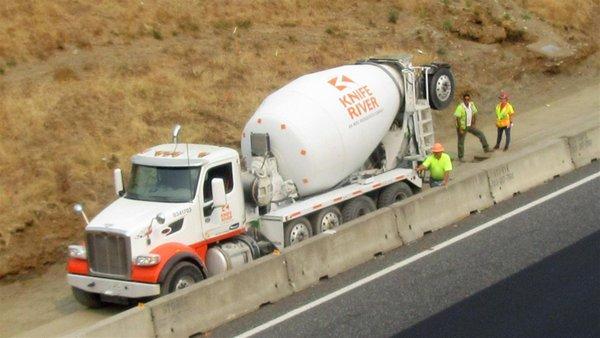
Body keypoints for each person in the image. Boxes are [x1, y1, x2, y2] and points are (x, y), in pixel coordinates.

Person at [454, 92, 491, 161]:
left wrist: (474, 122)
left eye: (468, 99)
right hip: (462, 127)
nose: (467, 101)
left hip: (470, 125)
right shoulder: (460, 107)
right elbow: (457, 118)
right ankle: (460, 157)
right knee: (461, 142)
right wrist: (460, 129)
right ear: (463, 100)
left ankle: (486, 148)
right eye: (465, 99)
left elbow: (475, 113)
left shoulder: (471, 105)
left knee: (481, 134)